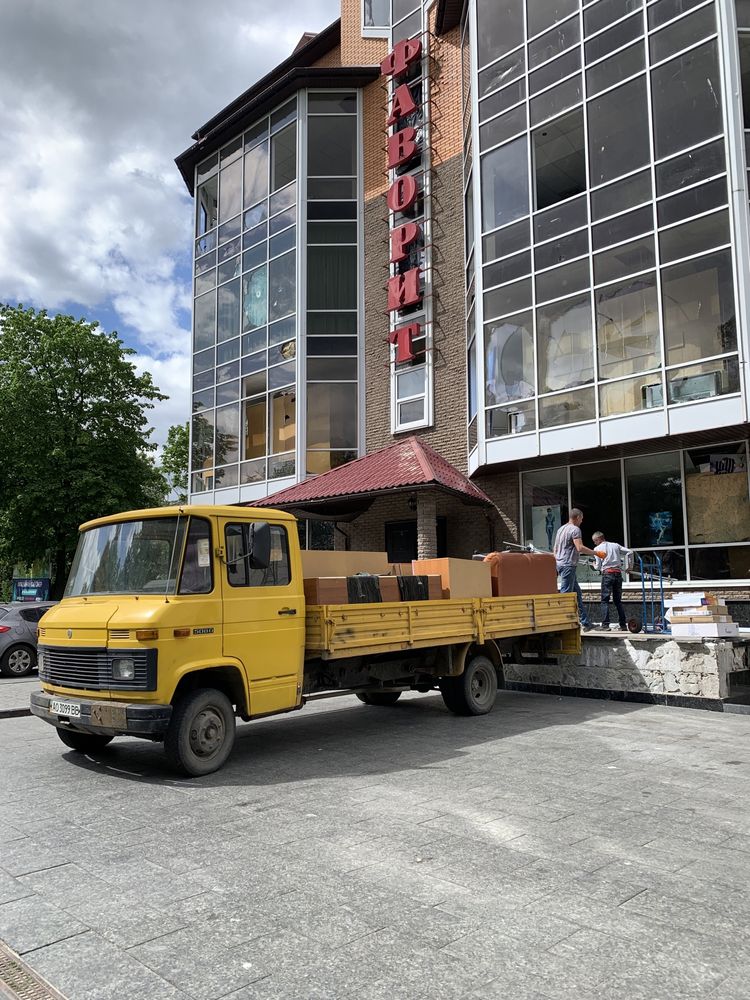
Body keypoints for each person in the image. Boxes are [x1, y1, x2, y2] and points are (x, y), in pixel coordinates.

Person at [553, 508, 599, 630]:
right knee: (566, 594)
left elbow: (555, 549)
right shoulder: (575, 529)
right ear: (577, 517)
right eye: (582, 519)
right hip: (568, 565)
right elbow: (579, 548)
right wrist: (596, 553)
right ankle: (561, 623)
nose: (582, 521)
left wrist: (556, 562)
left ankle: (586, 623)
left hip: (559, 563)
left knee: (577, 594)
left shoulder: (560, 529)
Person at [592, 530, 631, 631]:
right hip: (618, 574)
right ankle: (623, 625)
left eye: (594, 541)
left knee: (604, 601)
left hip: (607, 574)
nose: (594, 543)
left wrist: (594, 565)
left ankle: (605, 625)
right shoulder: (615, 545)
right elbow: (630, 552)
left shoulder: (597, 549)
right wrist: (630, 566)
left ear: (598, 539)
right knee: (618, 601)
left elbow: (598, 567)